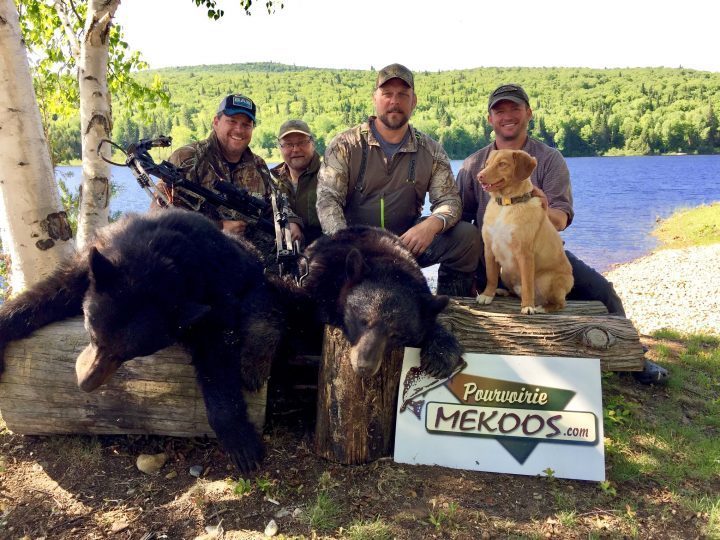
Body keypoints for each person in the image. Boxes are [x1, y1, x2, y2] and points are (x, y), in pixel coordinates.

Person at [457, 83, 668, 384]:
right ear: (490, 119)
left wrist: (539, 207)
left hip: (539, 251)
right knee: (454, 282)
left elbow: (561, 217)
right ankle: (449, 357)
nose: (507, 116)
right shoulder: (474, 164)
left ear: (528, 113)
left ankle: (633, 359)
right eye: (498, 111)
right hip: (492, 255)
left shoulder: (548, 159)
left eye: (514, 108)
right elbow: (461, 218)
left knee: (602, 291)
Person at [316, 63, 481, 296]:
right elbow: (327, 200)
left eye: (403, 94)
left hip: (407, 242)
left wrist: (430, 226)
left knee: (467, 237)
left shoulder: (431, 150)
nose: (395, 101)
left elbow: (450, 202)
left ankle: (451, 307)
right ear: (375, 98)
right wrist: (346, 243)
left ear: (414, 101)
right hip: (355, 244)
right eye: (387, 94)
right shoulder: (345, 144)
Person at [153, 94, 295, 265]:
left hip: (248, 264)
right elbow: (158, 217)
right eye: (232, 121)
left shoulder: (258, 165)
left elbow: (275, 207)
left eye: (246, 124)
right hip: (197, 264)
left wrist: (292, 224)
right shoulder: (187, 159)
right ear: (216, 122)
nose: (239, 130)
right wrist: (217, 228)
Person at [271, 119, 323, 246]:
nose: (295, 149)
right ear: (280, 147)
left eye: (302, 142)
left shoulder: (329, 176)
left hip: (323, 254)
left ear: (313, 144)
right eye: (288, 144)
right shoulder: (272, 180)